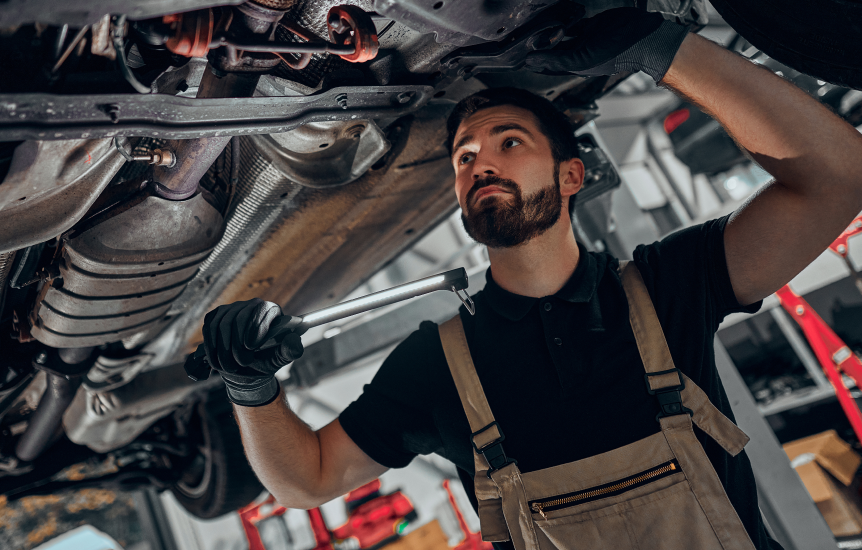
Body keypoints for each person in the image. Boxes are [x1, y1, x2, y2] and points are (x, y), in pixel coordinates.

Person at [200, 8, 862, 550]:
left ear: (572, 175)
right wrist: (251, 390)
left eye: (508, 142)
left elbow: (838, 175)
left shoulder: (668, 288)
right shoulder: (437, 367)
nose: (480, 163)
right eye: (464, 157)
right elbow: (309, 480)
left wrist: (662, 49)